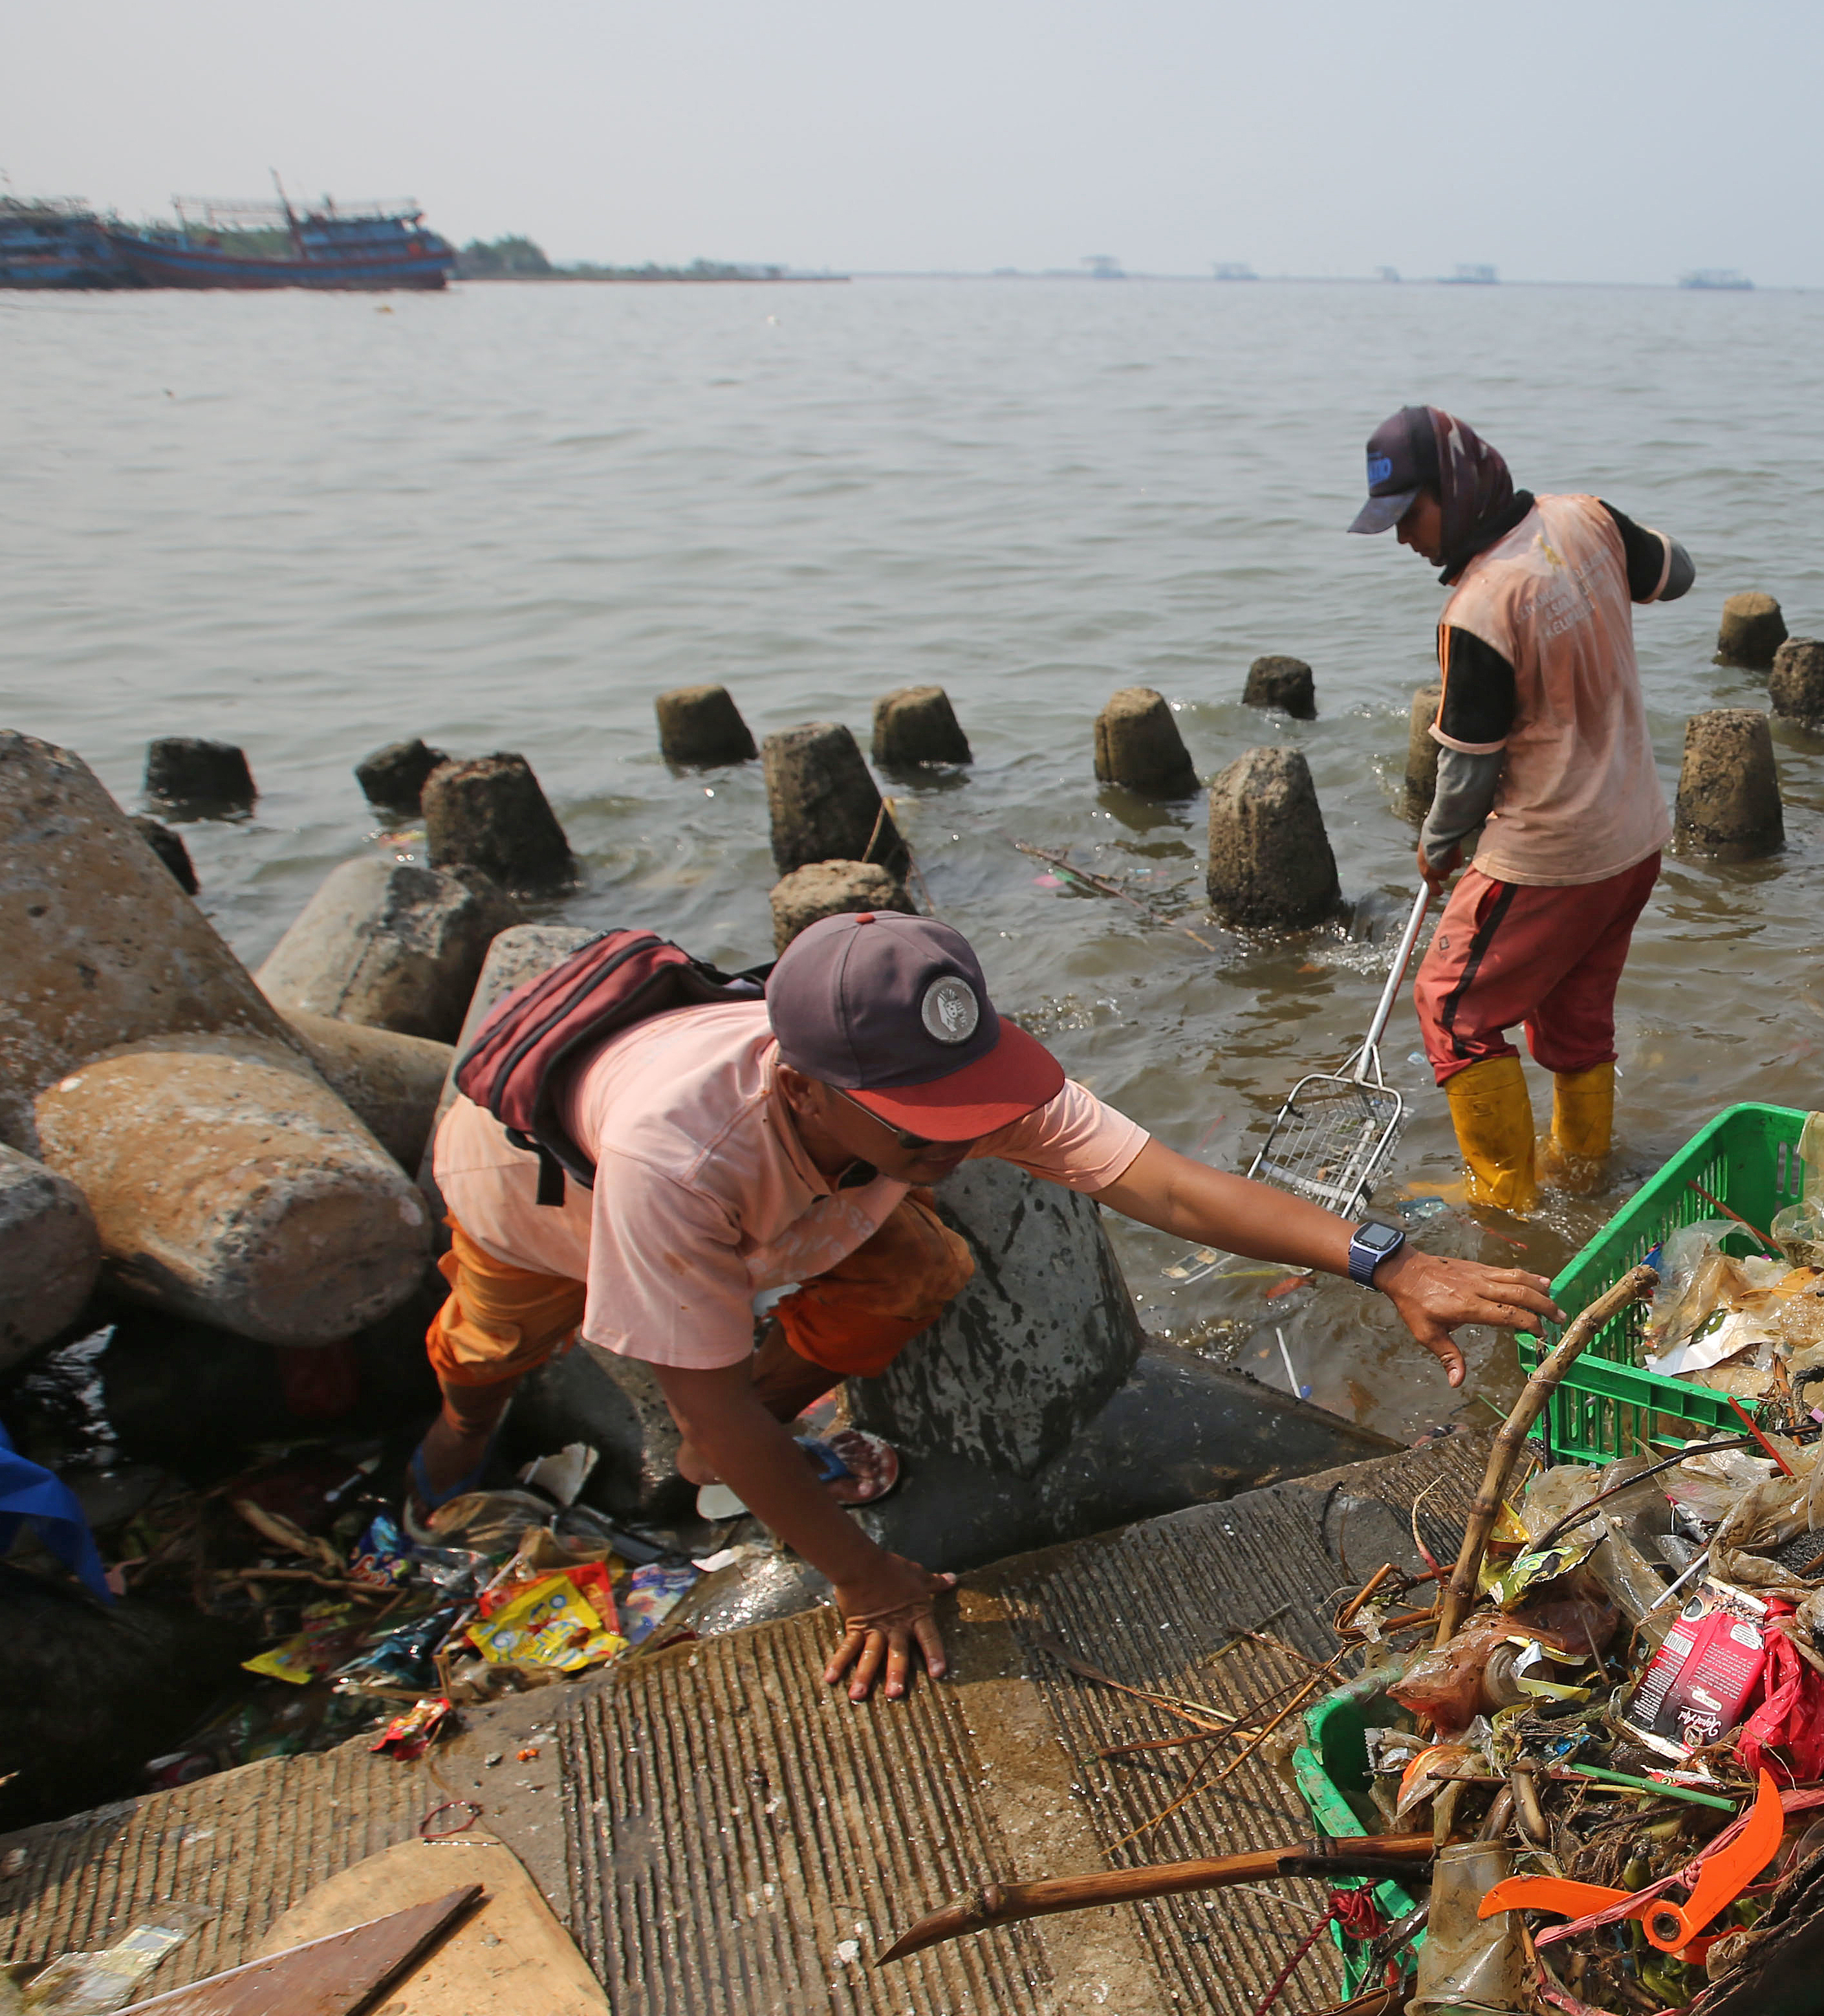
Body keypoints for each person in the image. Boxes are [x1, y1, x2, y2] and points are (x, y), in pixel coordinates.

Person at [414, 911, 1561, 1700]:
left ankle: (756, 1431)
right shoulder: (682, 1160)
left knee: (910, 1282)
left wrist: (1391, 1261)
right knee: (492, 1353)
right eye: (925, 1126)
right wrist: (867, 1582)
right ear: (805, 1086)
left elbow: (1166, 1185)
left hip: (813, 1200)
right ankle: (449, 1460)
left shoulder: (938, 1090)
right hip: (534, 1202)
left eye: (974, 1109)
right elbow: (709, 1402)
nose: (969, 1139)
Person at [1349, 404, 1695, 1214]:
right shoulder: (1588, 519)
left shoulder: (1478, 607)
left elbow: (1468, 772)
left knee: (1450, 1007)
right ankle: (1580, 1171)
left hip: (1552, 852)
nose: (1406, 539)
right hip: (1635, 833)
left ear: (1459, 487)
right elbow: (1675, 573)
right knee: (1576, 1011)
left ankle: (1507, 1199)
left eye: (1411, 515)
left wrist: (1438, 849)